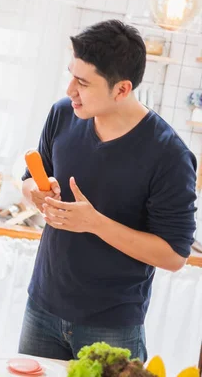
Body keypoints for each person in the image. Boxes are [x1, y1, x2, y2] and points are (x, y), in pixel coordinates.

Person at [19, 19, 197, 361]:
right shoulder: (63, 114)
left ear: (121, 89)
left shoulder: (169, 155)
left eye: (83, 83)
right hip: (41, 308)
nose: (70, 90)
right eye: (71, 74)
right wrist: (35, 194)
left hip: (112, 326)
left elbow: (175, 256)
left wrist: (94, 223)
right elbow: (29, 179)